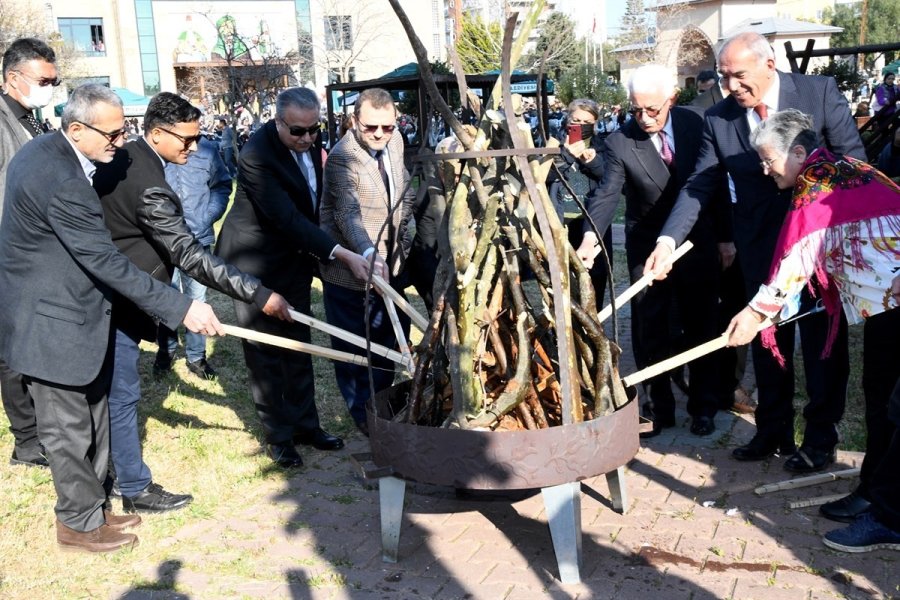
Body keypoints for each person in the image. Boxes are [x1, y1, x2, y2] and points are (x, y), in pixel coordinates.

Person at [0, 84, 222, 552]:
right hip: (53, 322)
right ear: (77, 129)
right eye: (114, 134)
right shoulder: (61, 180)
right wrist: (182, 308)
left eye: (125, 131)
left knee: (95, 419)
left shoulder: (54, 151)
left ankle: (98, 510)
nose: (121, 143)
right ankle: (78, 526)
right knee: (69, 430)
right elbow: (106, 260)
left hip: (81, 314)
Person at [645, 32, 865, 472]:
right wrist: (667, 241)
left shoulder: (818, 94)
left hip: (819, 245)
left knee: (822, 345)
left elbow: (852, 161)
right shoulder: (720, 118)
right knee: (766, 340)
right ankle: (772, 431)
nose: (731, 87)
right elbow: (700, 184)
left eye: (738, 75)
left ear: (769, 64)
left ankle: (821, 438)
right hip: (761, 244)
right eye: (724, 77)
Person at [94, 92, 291, 511]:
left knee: (112, 391)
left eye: (197, 138)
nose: (195, 147)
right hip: (116, 298)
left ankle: (111, 474)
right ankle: (131, 487)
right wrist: (258, 294)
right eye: (186, 140)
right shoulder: (149, 185)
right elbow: (189, 255)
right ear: (157, 133)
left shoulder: (130, 157)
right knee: (122, 393)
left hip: (117, 290)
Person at [725, 108, 900, 530]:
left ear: (798, 152)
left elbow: (798, 259)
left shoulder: (818, 184)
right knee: (879, 399)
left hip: (896, 306)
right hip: (887, 305)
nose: (765, 170)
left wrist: (754, 314)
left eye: (768, 160)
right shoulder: (843, 167)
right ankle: (873, 491)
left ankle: (884, 507)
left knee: (888, 406)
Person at [216, 87, 371, 467]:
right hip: (254, 263)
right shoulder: (256, 155)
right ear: (278, 121)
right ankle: (279, 437)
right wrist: (340, 253)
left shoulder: (310, 145)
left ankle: (306, 426)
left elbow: (311, 206)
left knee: (299, 345)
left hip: (293, 260)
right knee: (266, 352)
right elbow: (285, 219)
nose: (306, 139)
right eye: (297, 131)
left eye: (313, 130)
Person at [578, 65, 722, 437]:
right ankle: (659, 406)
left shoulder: (698, 124)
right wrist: (591, 238)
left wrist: (725, 238)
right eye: (636, 109)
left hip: (697, 241)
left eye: (652, 110)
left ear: (671, 98)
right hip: (647, 244)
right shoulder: (621, 141)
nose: (643, 118)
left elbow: (715, 184)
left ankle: (704, 405)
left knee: (701, 324)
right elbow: (608, 194)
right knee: (650, 327)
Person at [319, 87, 415, 436]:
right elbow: (348, 215)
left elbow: (403, 188)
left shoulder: (396, 141)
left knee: (389, 343)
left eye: (387, 127)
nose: (379, 134)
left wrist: (406, 233)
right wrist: (368, 252)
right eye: (370, 127)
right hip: (351, 271)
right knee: (355, 349)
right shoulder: (343, 157)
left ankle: (384, 408)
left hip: (390, 265)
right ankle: (364, 419)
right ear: (353, 121)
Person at [0, 38, 60, 469]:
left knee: (35, 343)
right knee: (12, 351)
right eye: (44, 81)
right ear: (12, 78)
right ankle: (26, 440)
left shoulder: (35, 122)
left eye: (55, 81)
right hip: (9, 253)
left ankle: (43, 427)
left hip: (37, 251)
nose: (51, 88)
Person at [155, 134, 234, 379]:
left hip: (197, 239)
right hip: (163, 239)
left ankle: (196, 356)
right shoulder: (156, 152)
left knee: (197, 298)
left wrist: (208, 216)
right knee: (165, 296)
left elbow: (222, 185)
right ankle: (165, 350)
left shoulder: (207, 151)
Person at [549, 98, 613, 306]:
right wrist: (566, 156)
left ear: (595, 124)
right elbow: (543, 176)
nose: (580, 125)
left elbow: (611, 180)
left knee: (595, 277)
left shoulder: (603, 146)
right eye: (576, 119)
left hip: (592, 222)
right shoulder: (552, 142)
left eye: (587, 122)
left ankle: (593, 326)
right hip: (561, 221)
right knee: (560, 278)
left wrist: (592, 163)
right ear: (568, 118)